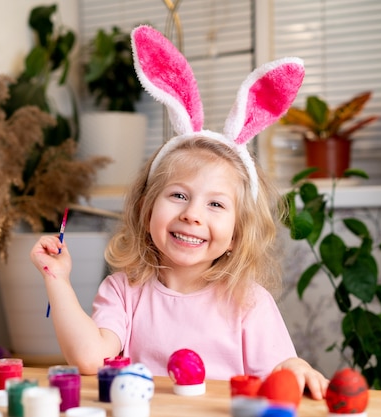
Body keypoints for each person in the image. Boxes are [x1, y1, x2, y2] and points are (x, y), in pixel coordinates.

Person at [30, 25, 329, 400]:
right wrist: (56, 279)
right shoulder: (124, 292)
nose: (192, 215)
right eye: (178, 195)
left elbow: (280, 376)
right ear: (145, 207)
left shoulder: (249, 303)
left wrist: (294, 366)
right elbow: (90, 358)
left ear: (238, 232)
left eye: (216, 204)